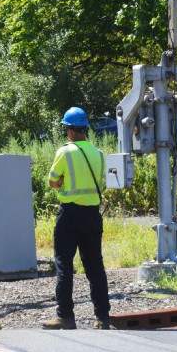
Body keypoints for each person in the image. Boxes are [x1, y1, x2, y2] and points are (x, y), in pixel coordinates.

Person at [42, 107, 110, 330]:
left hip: (69, 215)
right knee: (95, 267)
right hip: (92, 216)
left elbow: (53, 182)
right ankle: (102, 318)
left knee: (64, 265)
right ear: (85, 129)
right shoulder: (99, 154)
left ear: (70, 131)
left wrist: (63, 183)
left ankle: (66, 317)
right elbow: (100, 184)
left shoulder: (65, 152)